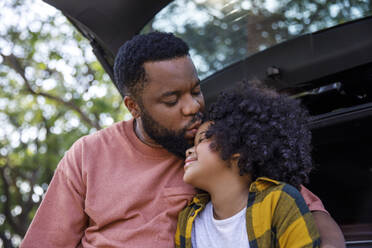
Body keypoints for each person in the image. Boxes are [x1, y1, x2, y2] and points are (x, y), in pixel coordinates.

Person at [21, 32, 344, 247]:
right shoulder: (87, 155)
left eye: (195, 90)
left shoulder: (219, 143)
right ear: (134, 107)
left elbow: (309, 211)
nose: (193, 107)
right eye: (172, 99)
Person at [175, 83, 320, 247]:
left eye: (201, 140)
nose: (189, 151)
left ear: (236, 148)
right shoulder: (188, 220)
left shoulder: (278, 202)